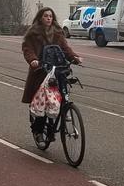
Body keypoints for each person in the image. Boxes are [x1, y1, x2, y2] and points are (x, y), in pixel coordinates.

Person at [21, 7, 82, 140]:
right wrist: (33, 60)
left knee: (62, 91)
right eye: (46, 16)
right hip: (41, 71)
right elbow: (27, 49)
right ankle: (38, 131)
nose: (49, 18)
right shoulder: (33, 33)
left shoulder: (58, 33)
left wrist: (74, 58)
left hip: (57, 69)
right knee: (43, 101)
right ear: (40, 18)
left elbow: (65, 49)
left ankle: (64, 109)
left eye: (50, 16)